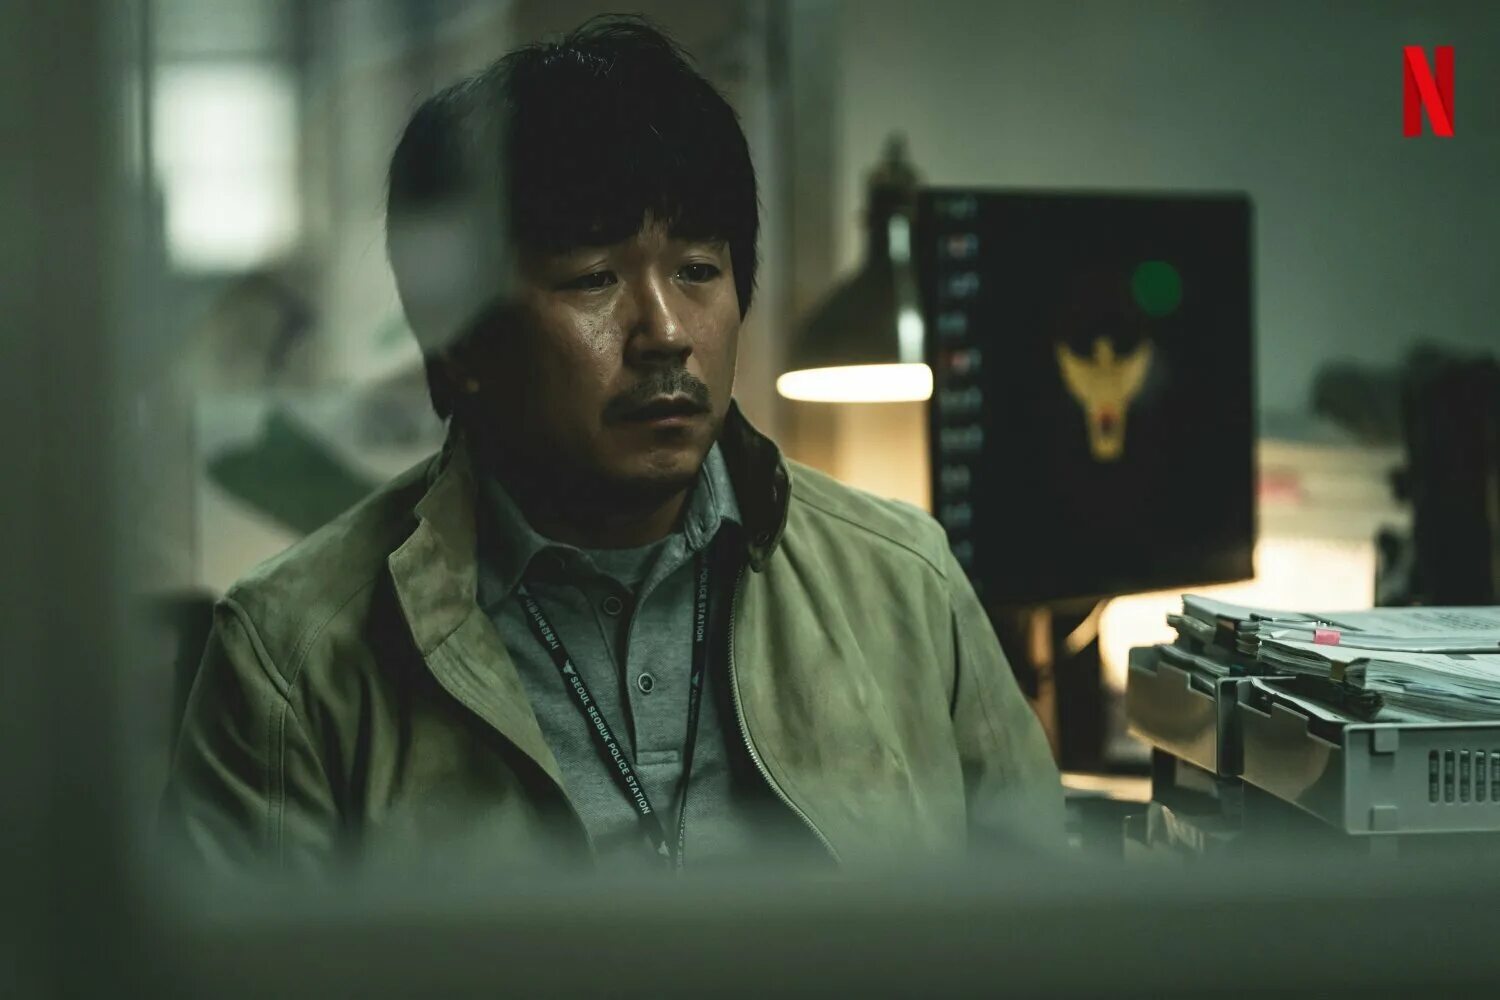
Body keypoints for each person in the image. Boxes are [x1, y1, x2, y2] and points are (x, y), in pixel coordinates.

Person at [161, 16, 1062, 877]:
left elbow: (1043, 933)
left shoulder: (905, 585)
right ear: (460, 342)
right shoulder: (293, 658)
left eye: (698, 270)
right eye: (593, 279)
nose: (665, 332)